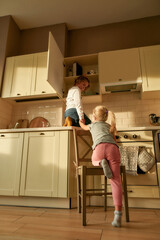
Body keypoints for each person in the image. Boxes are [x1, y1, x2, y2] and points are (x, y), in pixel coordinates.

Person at [79, 105, 122, 227]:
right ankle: (118, 214)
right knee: (116, 181)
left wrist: (80, 121)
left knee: (93, 160)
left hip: (99, 149)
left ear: (93, 116)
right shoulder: (110, 126)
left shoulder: (92, 125)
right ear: (106, 116)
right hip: (113, 149)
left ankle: (100, 163)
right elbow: (115, 140)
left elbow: (83, 126)